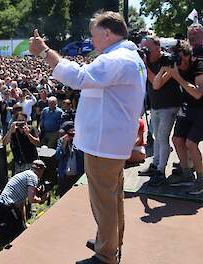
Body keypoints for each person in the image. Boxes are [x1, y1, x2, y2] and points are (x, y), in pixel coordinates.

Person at [30, 11, 146, 264]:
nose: (92, 42)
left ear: (107, 33)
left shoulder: (116, 59)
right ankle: (111, 242)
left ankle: (106, 255)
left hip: (104, 143)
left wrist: (44, 52)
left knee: (104, 202)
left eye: (94, 36)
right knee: (112, 198)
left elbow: (79, 78)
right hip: (111, 141)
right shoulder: (128, 57)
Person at [157, 41, 203, 193]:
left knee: (191, 143)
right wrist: (163, 70)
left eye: (182, 59)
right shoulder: (175, 65)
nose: (180, 63)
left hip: (200, 108)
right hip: (187, 109)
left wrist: (177, 76)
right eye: (177, 59)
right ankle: (186, 174)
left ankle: (201, 179)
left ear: (189, 56)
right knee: (177, 139)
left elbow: (197, 93)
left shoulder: (199, 66)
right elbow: (156, 85)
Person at [138, 36, 182, 186]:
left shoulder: (169, 61)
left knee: (163, 138)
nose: (145, 52)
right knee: (157, 137)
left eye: (147, 48)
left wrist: (145, 66)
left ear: (157, 48)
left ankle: (161, 171)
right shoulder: (147, 61)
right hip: (156, 106)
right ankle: (155, 165)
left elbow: (156, 83)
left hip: (169, 106)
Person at [0, 160, 49, 238]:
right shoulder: (33, 177)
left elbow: (22, 204)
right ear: (40, 170)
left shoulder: (26, 174)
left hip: (1, 204)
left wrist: (24, 223)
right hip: (8, 206)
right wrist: (41, 199)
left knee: (20, 228)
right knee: (16, 233)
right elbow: (31, 199)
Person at [56, 121, 84, 197]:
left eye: (72, 134)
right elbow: (58, 156)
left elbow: (82, 156)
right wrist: (64, 145)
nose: (70, 136)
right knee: (63, 196)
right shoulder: (61, 141)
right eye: (69, 134)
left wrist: (75, 143)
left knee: (76, 197)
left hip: (77, 175)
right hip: (64, 175)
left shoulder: (80, 141)